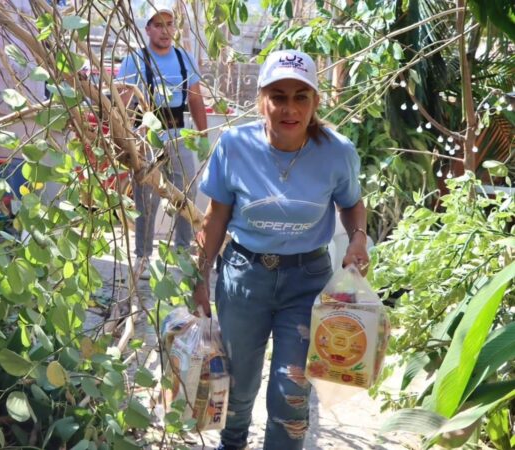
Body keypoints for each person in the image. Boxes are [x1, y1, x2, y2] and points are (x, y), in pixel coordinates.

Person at [193, 49, 369, 450]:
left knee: (292, 391)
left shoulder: (337, 151)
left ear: (315, 102)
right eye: (279, 96)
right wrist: (199, 276)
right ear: (262, 101)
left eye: (300, 96)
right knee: (238, 385)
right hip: (243, 278)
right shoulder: (234, 146)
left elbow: (351, 203)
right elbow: (215, 217)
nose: (290, 108)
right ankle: (231, 444)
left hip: (306, 283)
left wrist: (358, 237)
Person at [115, 3, 207, 279]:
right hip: (145, 136)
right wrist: (118, 137)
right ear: (148, 29)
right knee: (145, 200)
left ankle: (181, 253)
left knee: (185, 194)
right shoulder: (135, 59)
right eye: (159, 25)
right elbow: (122, 100)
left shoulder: (184, 58)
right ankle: (142, 257)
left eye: (170, 24)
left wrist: (203, 136)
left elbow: (195, 98)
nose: (165, 31)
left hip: (179, 135)